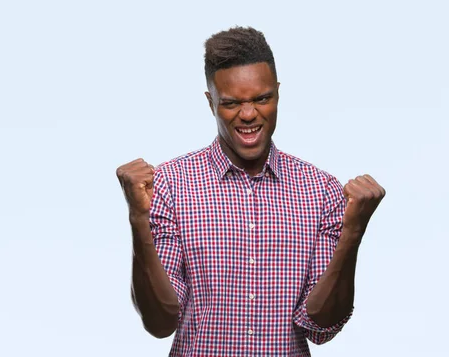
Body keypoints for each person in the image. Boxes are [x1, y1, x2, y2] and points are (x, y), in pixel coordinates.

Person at [116, 26, 385, 357]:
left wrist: (353, 232)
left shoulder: (322, 190)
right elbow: (159, 323)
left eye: (262, 98)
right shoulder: (170, 184)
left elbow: (321, 326)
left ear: (278, 94)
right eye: (230, 103)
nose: (248, 114)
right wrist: (137, 218)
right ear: (210, 101)